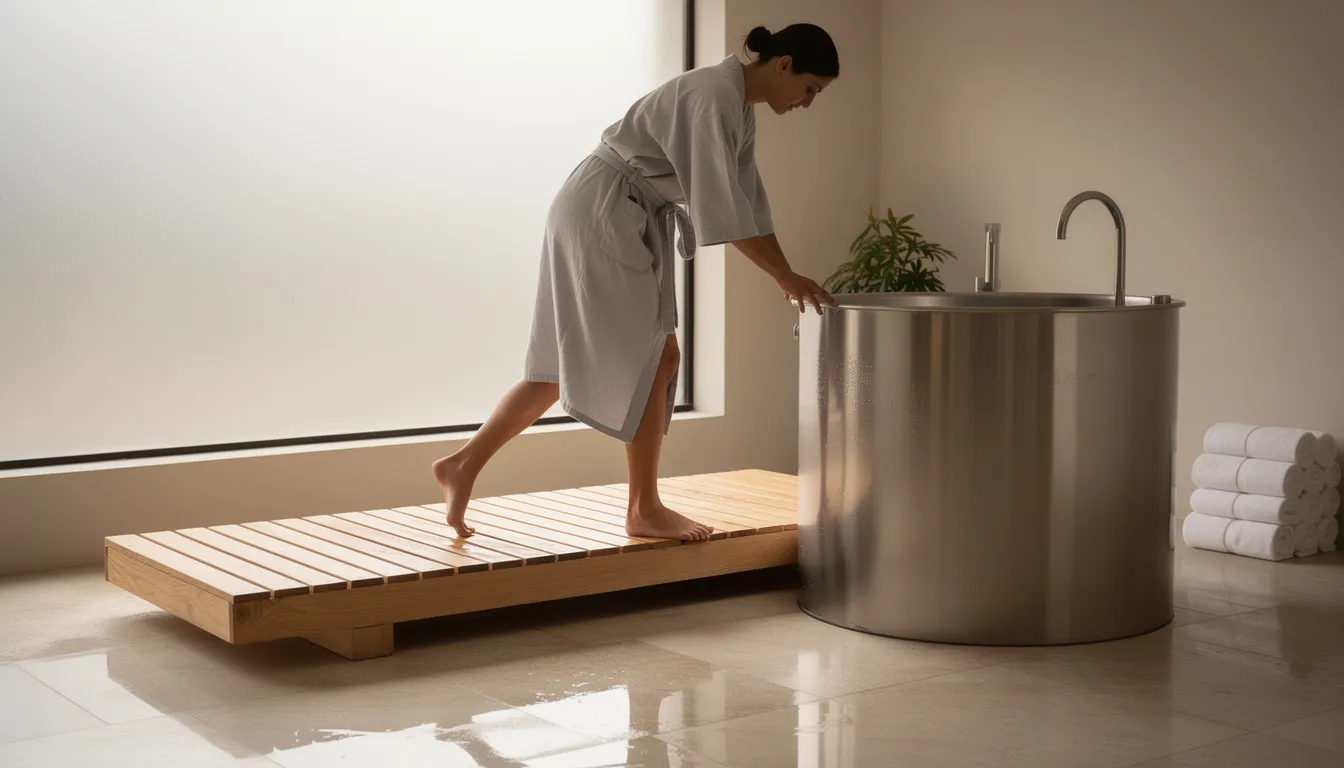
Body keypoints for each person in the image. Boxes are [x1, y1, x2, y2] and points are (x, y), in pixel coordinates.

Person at [433, 24, 839, 541]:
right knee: (659, 355)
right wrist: (784, 275)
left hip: (608, 207)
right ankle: (643, 509)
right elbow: (721, 210)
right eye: (810, 88)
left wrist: (788, 275)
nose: (808, 102)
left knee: (563, 364)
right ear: (783, 64)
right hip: (606, 208)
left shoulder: (737, 105)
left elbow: (748, 208)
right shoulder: (713, 95)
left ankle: (462, 466)